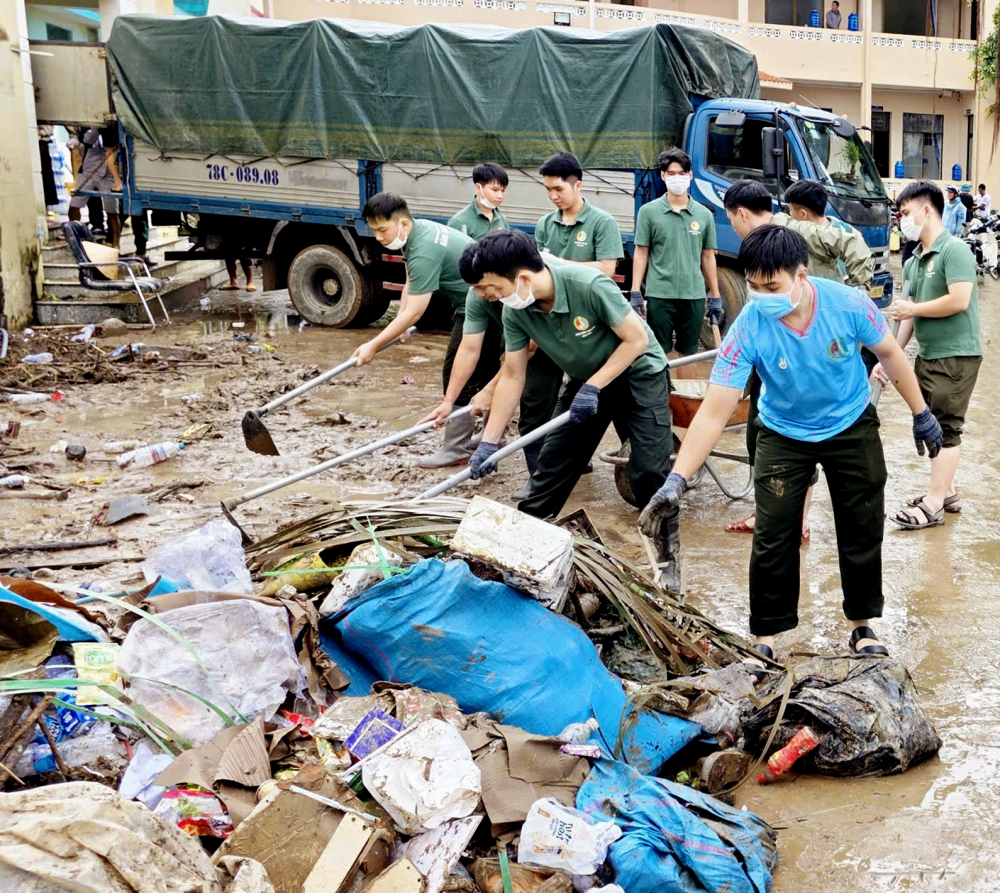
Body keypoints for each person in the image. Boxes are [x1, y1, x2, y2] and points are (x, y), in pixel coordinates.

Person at [639, 225, 941, 669]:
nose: (761, 296)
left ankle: (861, 624)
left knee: (860, 525)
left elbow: (891, 354)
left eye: (772, 286)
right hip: (783, 431)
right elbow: (714, 410)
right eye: (753, 286)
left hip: (850, 422)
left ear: (801, 275)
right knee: (773, 533)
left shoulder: (849, 304)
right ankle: (766, 634)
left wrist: (921, 412)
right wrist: (677, 478)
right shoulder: (749, 327)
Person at [461, 229, 681, 588]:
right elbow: (514, 376)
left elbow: (637, 340)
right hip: (586, 378)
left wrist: (595, 386)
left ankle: (667, 563)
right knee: (551, 466)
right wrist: (490, 441)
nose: (491, 297)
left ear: (523, 278)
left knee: (649, 475)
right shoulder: (516, 311)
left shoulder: (588, 284)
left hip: (638, 373)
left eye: (493, 288)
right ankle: (518, 557)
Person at [723, 178, 873, 540]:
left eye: (731, 220)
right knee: (768, 434)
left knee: (795, 434)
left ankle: (794, 519)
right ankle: (778, 512)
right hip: (771, 351)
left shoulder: (788, 229)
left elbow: (851, 242)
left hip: (812, 350)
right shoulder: (760, 251)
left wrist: (858, 294)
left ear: (740, 214)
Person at [353, 193, 501, 469]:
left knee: (459, 373)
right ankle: (490, 436)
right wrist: (401, 322)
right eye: (374, 231)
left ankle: (456, 449)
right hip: (484, 304)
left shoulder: (423, 247)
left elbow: (417, 310)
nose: (378, 237)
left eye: (382, 230)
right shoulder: (418, 231)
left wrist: (373, 345)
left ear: (402, 224)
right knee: (488, 372)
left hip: (481, 306)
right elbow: (412, 279)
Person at [877, 180, 982, 529]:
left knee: (947, 428)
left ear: (926, 210)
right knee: (931, 423)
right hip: (930, 354)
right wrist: (888, 357)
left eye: (905, 213)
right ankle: (947, 491)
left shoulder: (955, 251)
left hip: (956, 354)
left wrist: (914, 309)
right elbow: (908, 317)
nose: (901, 220)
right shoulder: (914, 261)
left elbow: (959, 300)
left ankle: (934, 503)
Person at [519, 151, 624, 484]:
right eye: (548, 189)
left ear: (577, 185)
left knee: (603, 397)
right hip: (548, 324)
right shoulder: (545, 224)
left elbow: (607, 270)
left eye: (559, 189)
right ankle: (541, 476)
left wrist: (558, 265)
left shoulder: (601, 222)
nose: (553, 196)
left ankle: (622, 458)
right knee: (535, 401)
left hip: (589, 327)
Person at [631, 148, 721, 380]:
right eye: (671, 173)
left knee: (688, 353)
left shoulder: (703, 215)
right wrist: (635, 291)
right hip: (661, 293)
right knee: (660, 352)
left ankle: (684, 403)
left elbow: (708, 256)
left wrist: (715, 294)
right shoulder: (649, 212)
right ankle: (664, 401)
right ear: (663, 176)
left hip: (693, 295)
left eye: (681, 173)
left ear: (690, 175)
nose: (677, 178)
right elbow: (641, 252)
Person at [67, 127, 121, 249]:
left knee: (112, 211)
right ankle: (76, 238)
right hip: (88, 172)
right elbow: (88, 140)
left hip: (108, 174)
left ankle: (116, 244)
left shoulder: (116, 131)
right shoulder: (90, 130)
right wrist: (97, 127)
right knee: (75, 204)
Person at [448, 163, 510, 240]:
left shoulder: (502, 219)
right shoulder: (460, 221)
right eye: (495, 190)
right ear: (478, 188)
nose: (500, 196)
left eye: (503, 190)